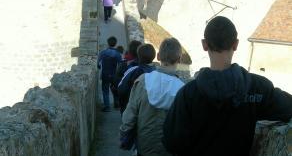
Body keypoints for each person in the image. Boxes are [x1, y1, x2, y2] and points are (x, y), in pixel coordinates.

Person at [162, 16, 292, 156]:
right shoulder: (258, 87)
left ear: (204, 45)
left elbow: (172, 142)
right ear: (235, 44)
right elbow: (287, 108)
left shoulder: (187, 94)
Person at [120, 38, 185, 156]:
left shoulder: (143, 81)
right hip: (170, 150)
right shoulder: (183, 89)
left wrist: (124, 135)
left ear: (158, 56)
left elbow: (130, 115)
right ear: (179, 59)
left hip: (145, 147)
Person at [118, 43, 156, 114]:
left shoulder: (133, 70)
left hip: (132, 109)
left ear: (139, 56)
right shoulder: (157, 72)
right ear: (154, 56)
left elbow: (121, 89)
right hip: (150, 112)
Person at [98, 36, 122, 112]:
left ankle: (107, 106)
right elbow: (120, 64)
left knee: (105, 90)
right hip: (114, 74)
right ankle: (116, 103)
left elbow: (98, 64)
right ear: (115, 44)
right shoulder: (118, 54)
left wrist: (100, 67)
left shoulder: (103, 53)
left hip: (105, 74)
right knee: (115, 89)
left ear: (108, 43)